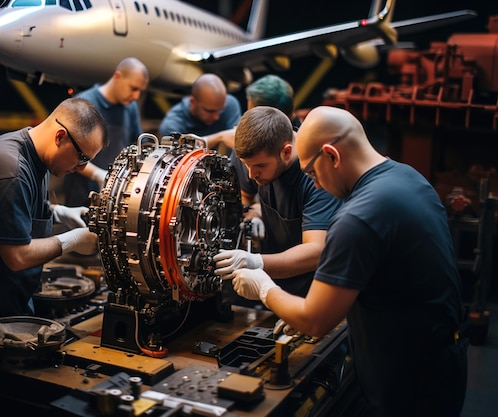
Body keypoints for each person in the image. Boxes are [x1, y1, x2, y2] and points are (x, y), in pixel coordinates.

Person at [227, 105, 469, 417]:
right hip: (441, 357)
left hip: (409, 377)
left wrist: (263, 286)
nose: (314, 184)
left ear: (332, 155)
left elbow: (315, 320)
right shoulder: (408, 178)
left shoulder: (357, 219)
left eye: (312, 173)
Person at [0, 98, 108, 411]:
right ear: (60, 137)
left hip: (6, 292)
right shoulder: (11, 169)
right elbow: (16, 256)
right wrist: (72, 240)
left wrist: (60, 214)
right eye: (82, 157)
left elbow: (18, 212)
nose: (82, 168)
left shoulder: (37, 157)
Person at [214, 106, 342, 298]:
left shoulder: (317, 177)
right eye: (246, 165)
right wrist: (254, 212)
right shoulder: (256, 157)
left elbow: (316, 251)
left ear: (286, 152)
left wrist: (255, 262)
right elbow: (243, 196)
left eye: (259, 166)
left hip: (311, 292)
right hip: (271, 280)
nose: (251, 174)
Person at [64, 57, 149, 206]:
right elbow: (70, 154)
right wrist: (97, 174)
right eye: (133, 88)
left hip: (115, 192)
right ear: (118, 77)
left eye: (140, 92)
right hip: (83, 193)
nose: (136, 96)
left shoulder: (130, 107)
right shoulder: (85, 104)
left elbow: (139, 141)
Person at [158, 73, 241, 154]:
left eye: (220, 110)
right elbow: (182, 158)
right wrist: (219, 137)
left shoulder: (230, 104)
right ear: (193, 101)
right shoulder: (172, 124)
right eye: (210, 111)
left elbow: (237, 137)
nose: (216, 117)